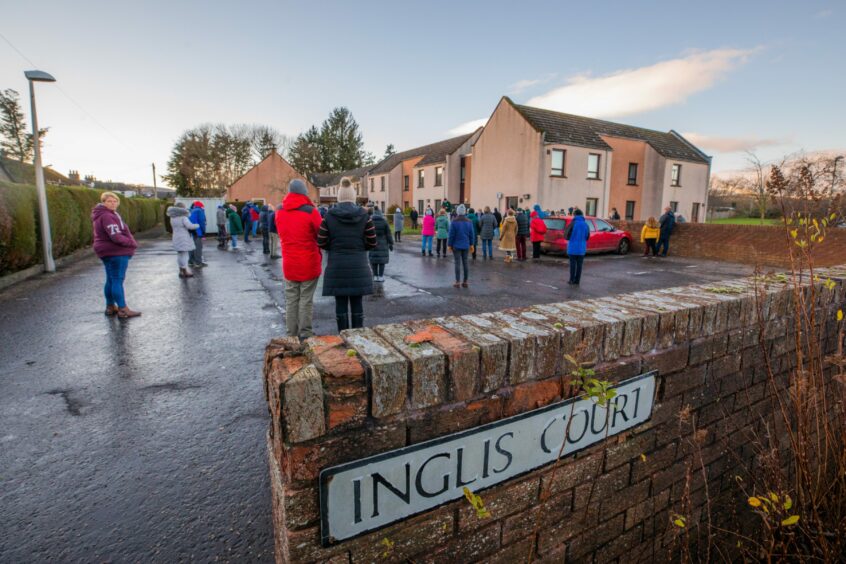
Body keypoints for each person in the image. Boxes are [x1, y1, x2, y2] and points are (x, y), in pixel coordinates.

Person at [317, 177, 377, 332]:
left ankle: (343, 335)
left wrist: (334, 247)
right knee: (357, 302)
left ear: (339, 196)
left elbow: (321, 241)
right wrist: (359, 246)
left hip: (337, 265)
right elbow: (372, 241)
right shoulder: (365, 216)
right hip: (359, 265)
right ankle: (358, 337)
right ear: (353, 196)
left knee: (340, 303)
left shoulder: (329, 216)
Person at [276, 179, 323, 339]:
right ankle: (305, 333)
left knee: (291, 300)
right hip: (308, 262)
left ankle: (291, 334)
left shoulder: (279, 210)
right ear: (304, 193)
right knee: (306, 300)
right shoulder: (310, 211)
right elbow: (321, 233)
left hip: (289, 263)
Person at [92, 191, 140, 318]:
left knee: (110, 280)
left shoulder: (101, 215)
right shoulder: (108, 216)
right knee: (117, 280)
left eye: (115, 201)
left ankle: (110, 306)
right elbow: (115, 236)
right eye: (109, 201)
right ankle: (123, 309)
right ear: (103, 202)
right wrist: (131, 243)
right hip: (115, 251)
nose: (113, 203)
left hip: (105, 251)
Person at [168, 202, 200, 278]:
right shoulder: (183, 217)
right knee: (185, 255)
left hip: (176, 237)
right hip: (184, 238)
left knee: (179, 254)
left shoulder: (172, 218)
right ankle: (185, 271)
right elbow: (189, 226)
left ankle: (181, 271)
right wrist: (197, 225)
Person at [448, 205, 475, 288]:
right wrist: (472, 244)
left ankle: (457, 281)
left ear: (457, 212)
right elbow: (471, 234)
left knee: (457, 263)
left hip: (456, 245)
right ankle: (465, 281)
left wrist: (449, 245)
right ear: (465, 212)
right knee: (465, 263)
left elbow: (451, 235)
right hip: (466, 245)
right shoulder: (469, 222)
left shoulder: (454, 221)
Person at [564, 210, 590, 285]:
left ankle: (571, 280)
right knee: (579, 265)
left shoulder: (572, 223)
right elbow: (587, 237)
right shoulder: (586, 225)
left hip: (572, 248)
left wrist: (571, 238)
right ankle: (577, 281)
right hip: (582, 248)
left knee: (572, 265)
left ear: (575, 215)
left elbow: (566, 235)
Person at [369, 206, 393, 282]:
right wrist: (391, 243)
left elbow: (367, 232)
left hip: (373, 243)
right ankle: (381, 276)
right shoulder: (384, 222)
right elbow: (388, 233)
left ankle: (375, 276)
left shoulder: (370, 221)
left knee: (374, 261)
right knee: (382, 261)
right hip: (383, 243)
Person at [188, 201, 207, 267]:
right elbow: (202, 222)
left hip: (191, 231)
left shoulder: (191, 211)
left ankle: (191, 261)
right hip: (198, 231)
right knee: (198, 247)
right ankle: (198, 262)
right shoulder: (199, 211)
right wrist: (203, 232)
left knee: (192, 247)